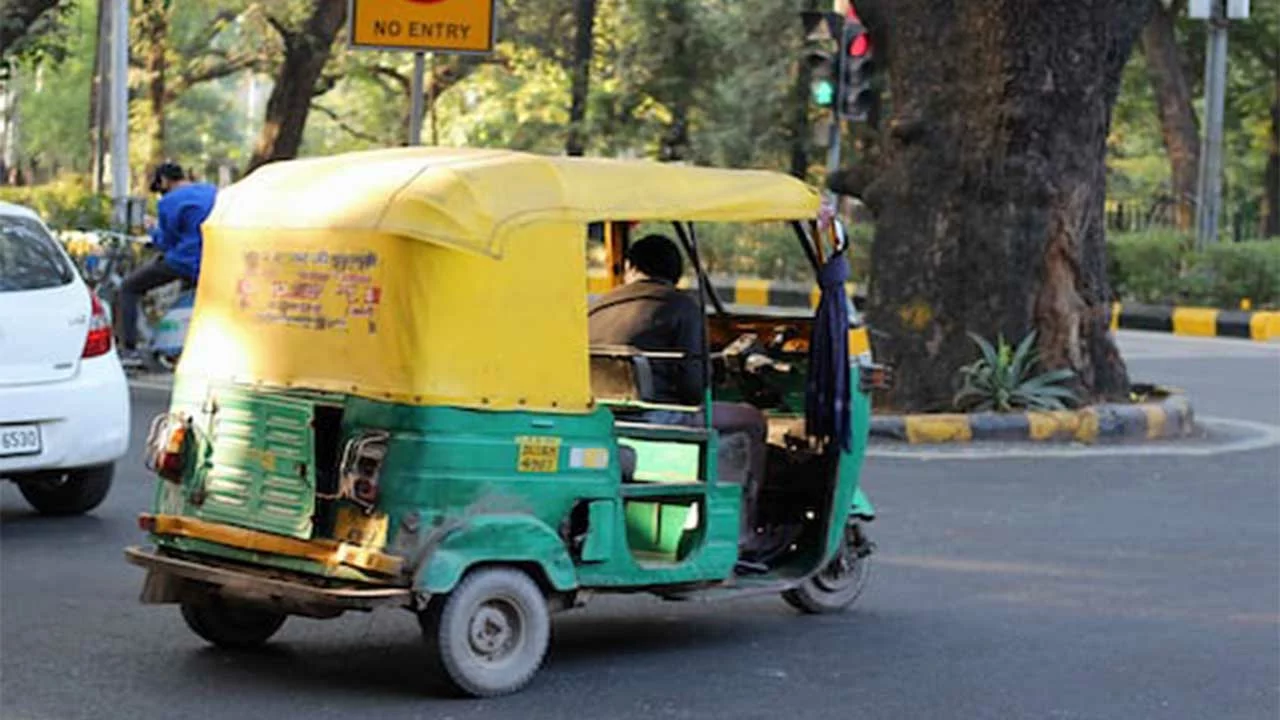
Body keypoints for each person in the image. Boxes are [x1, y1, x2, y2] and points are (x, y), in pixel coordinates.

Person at [588, 234, 769, 551]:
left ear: (630, 266)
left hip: (601, 417)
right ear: (675, 273)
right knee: (752, 419)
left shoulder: (597, 306)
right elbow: (692, 390)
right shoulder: (681, 306)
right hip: (656, 416)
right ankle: (745, 530)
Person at [117, 162, 216, 367]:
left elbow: (166, 242)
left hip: (186, 261)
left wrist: (153, 229)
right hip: (214, 259)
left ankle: (129, 350)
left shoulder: (169, 202)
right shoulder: (211, 191)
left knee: (129, 287)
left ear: (163, 181)